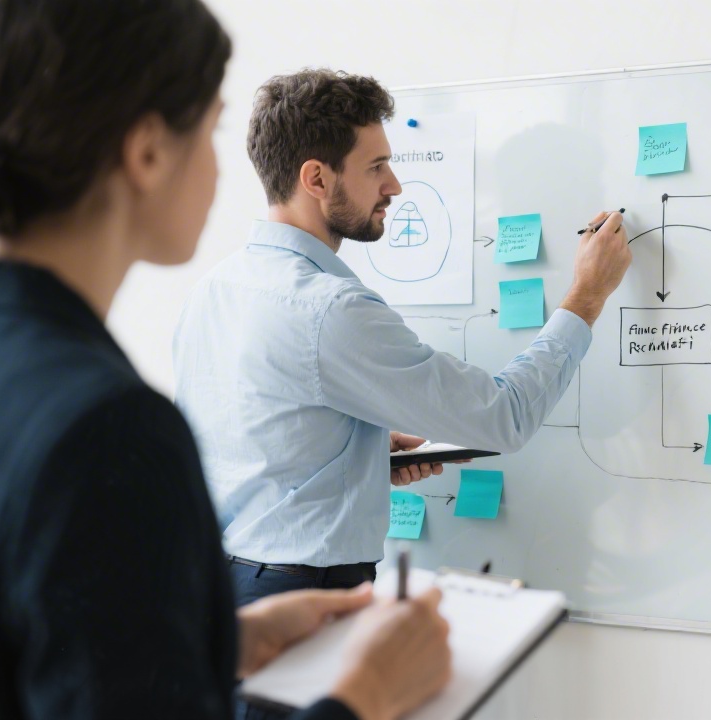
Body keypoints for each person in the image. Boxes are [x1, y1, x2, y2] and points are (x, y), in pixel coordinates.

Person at [0, 3, 450, 720]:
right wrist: (364, 694)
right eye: (211, 128)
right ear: (147, 152)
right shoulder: (107, 431)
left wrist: (218, 642)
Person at [173, 68, 632, 604]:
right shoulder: (331, 310)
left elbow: (251, 444)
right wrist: (586, 298)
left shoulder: (213, 289)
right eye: (376, 166)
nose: (394, 185)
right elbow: (503, 417)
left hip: (224, 589)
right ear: (316, 179)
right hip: (305, 595)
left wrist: (360, 453)